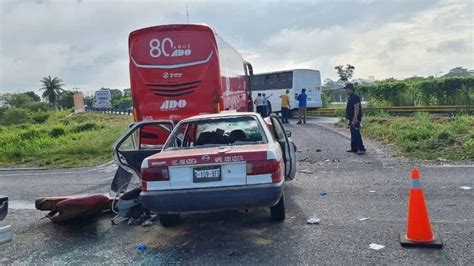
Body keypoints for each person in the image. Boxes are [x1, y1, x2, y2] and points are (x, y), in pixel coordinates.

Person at [344, 83, 366, 155]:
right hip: (352, 118)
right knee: (353, 133)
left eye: (346, 89)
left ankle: (361, 149)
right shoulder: (351, 97)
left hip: (355, 118)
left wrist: (355, 118)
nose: (345, 91)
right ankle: (354, 148)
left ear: (350, 89)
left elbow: (356, 108)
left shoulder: (354, 97)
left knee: (356, 133)